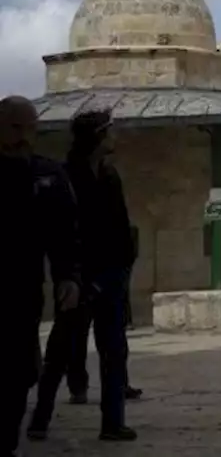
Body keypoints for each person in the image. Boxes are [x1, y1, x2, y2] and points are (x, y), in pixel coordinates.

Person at [28, 109, 137, 444]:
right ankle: (39, 419)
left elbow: (118, 225)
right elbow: (63, 230)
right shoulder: (66, 176)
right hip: (79, 277)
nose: (115, 138)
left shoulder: (109, 175)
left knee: (114, 351)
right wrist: (74, 275)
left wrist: (122, 266)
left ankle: (112, 422)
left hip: (112, 275)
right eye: (110, 131)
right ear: (98, 136)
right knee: (61, 349)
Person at [2, 96, 80, 457]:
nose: (22, 137)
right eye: (14, 127)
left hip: (22, 292)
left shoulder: (46, 175)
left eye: (29, 129)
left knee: (20, 372)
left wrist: (68, 277)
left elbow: (63, 234)